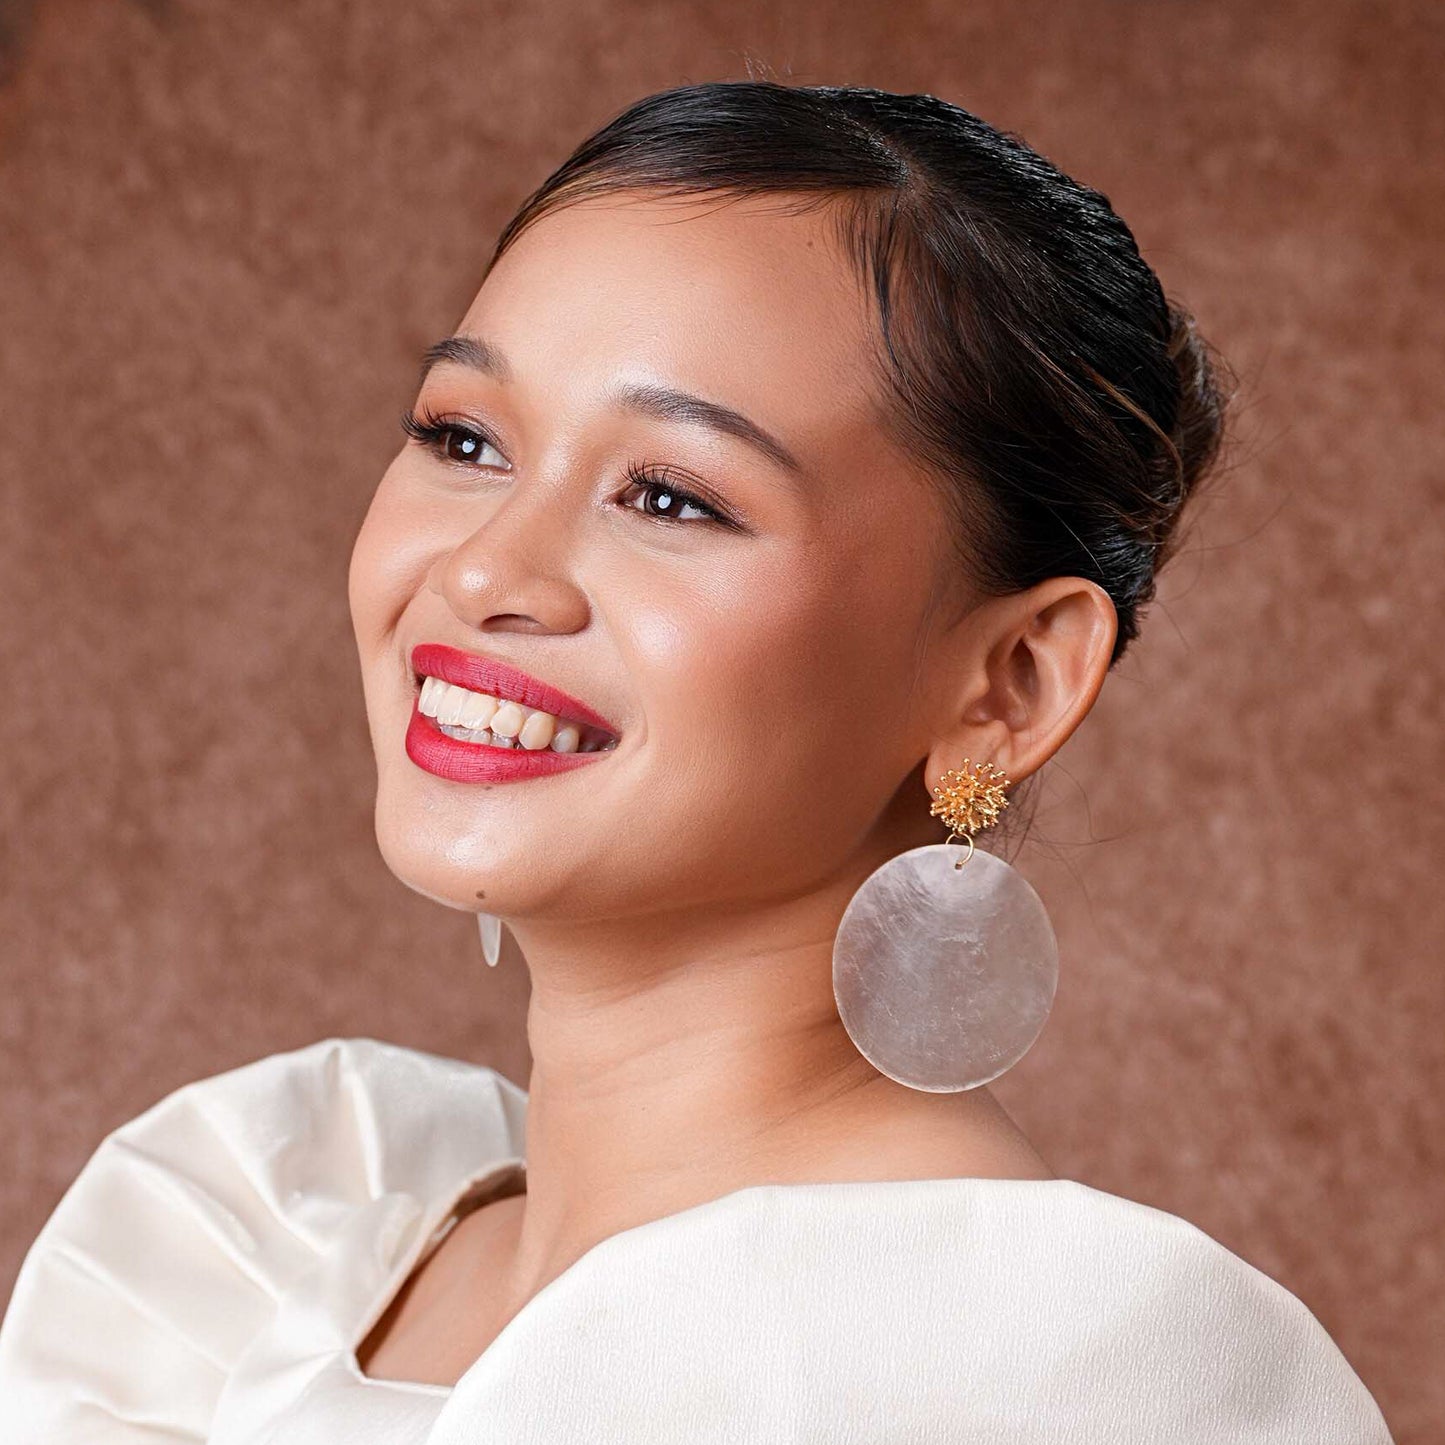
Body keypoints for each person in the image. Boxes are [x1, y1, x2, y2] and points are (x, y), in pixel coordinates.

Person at [0, 80, 1395, 1443]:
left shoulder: (1074, 1380)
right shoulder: (246, 1257)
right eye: (461, 436)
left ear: (1009, 683)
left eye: (668, 494)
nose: (489, 568)